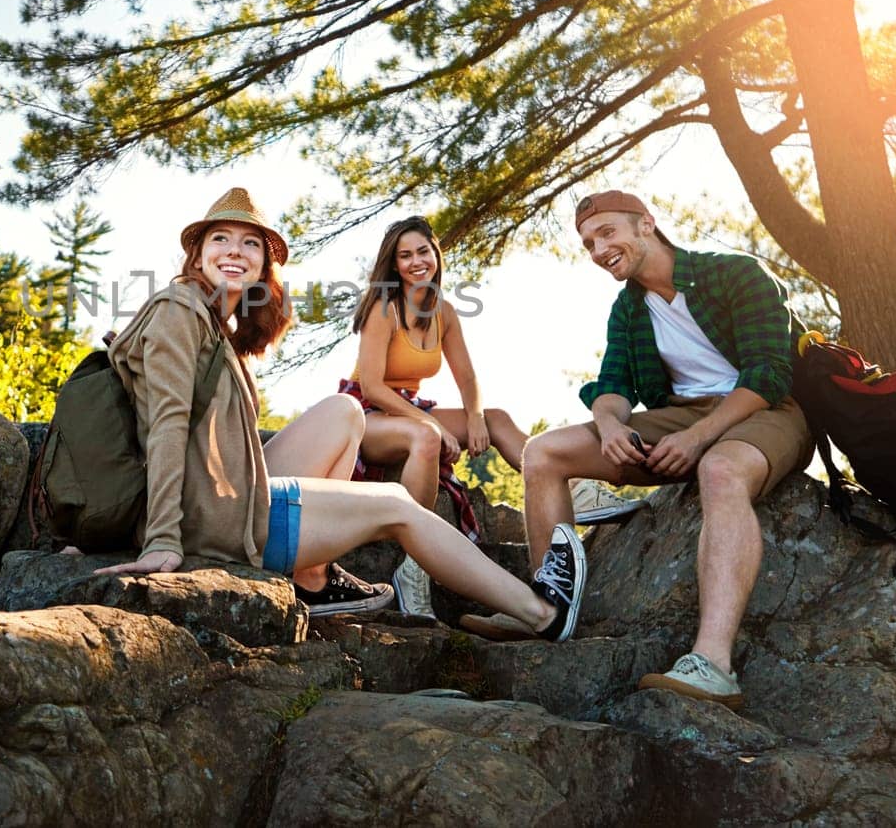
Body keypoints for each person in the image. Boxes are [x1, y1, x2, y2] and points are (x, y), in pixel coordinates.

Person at [95, 186, 585, 641]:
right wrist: (161, 539)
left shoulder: (214, 325)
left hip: (233, 495)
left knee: (344, 409)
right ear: (197, 255)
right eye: (219, 238)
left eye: (250, 244)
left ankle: (313, 579)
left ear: (264, 263)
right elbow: (166, 425)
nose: (233, 251)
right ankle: (543, 613)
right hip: (216, 521)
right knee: (394, 502)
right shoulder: (180, 309)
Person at [516, 190, 813, 707]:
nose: (598, 249)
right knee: (542, 453)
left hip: (765, 409)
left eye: (608, 232)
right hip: (680, 416)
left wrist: (699, 438)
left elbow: (769, 372)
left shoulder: (734, 273)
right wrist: (609, 425)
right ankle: (545, 607)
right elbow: (612, 383)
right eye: (588, 242)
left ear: (646, 225)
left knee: (720, 470)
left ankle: (714, 665)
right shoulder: (628, 309)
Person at [340, 215, 531, 617]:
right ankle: (413, 567)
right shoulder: (383, 308)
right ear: (394, 264)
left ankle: (568, 485)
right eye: (404, 255)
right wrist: (430, 423)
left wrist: (475, 416)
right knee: (425, 439)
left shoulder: (443, 310)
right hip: (365, 413)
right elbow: (373, 387)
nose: (415, 262)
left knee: (497, 418)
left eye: (422, 251)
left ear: (435, 254)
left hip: (408, 407)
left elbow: (468, 375)